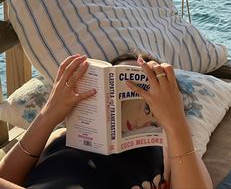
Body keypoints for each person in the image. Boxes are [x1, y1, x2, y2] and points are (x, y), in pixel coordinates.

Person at [0, 53, 213, 189]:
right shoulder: (60, 135)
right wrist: (48, 115)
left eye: (148, 106)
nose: (136, 114)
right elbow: (5, 177)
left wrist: (176, 124)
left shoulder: (170, 149)